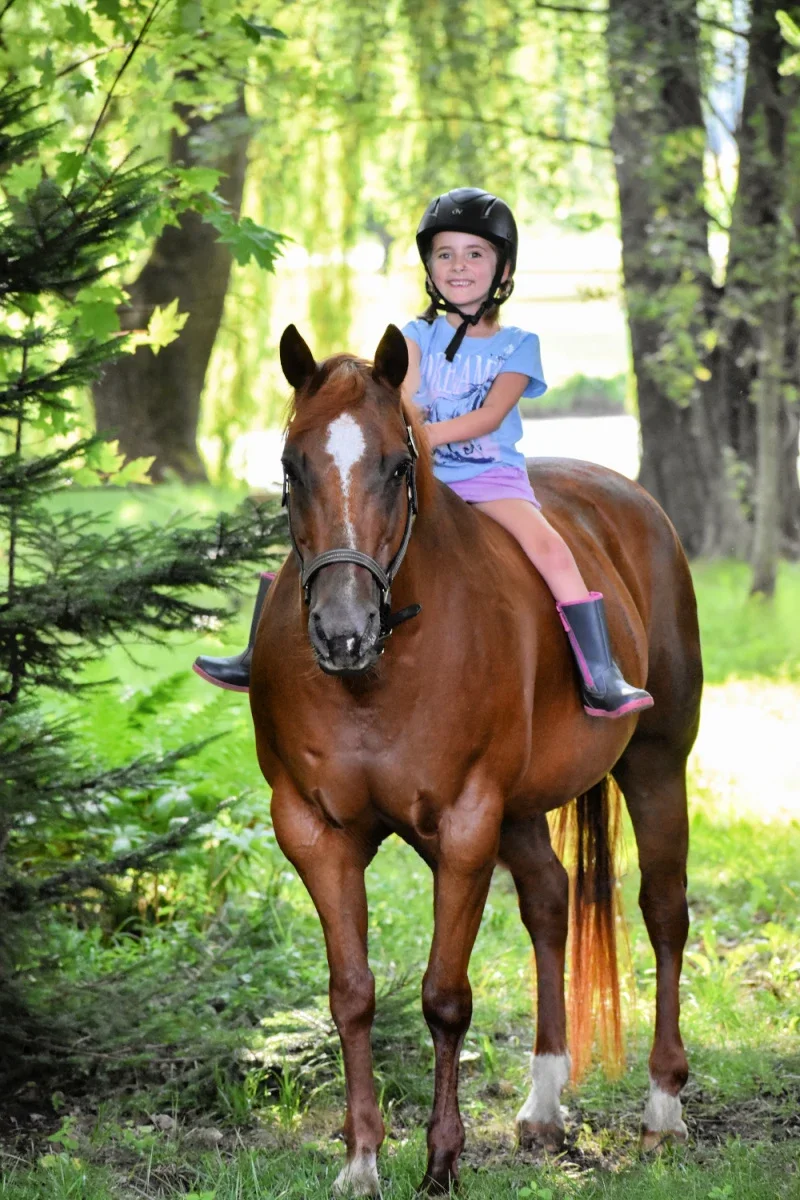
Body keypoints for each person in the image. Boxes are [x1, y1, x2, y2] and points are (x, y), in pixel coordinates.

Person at [194, 186, 653, 719]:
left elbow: (488, 417)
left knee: (550, 549)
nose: (458, 266)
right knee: (320, 544)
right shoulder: (414, 337)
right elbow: (401, 399)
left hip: (489, 480)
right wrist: (390, 439)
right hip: (419, 477)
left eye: (475, 254)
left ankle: (601, 674)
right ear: (430, 269)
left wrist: (421, 435)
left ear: (503, 272)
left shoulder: (518, 346)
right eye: (445, 255)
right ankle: (255, 655)